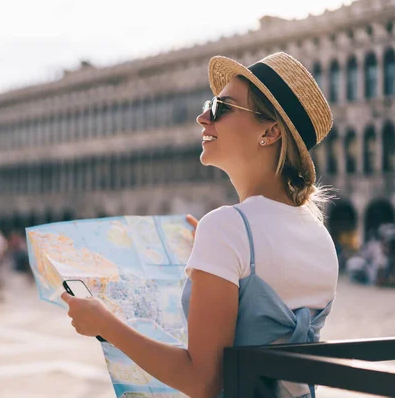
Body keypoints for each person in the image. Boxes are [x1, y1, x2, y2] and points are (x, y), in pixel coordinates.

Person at [61, 52, 339, 398]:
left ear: (270, 131)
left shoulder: (227, 228)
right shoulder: (319, 235)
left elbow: (203, 382)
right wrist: (216, 253)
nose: (203, 117)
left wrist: (105, 325)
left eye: (222, 108)